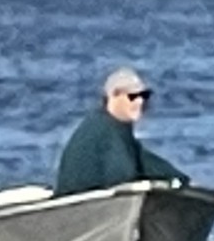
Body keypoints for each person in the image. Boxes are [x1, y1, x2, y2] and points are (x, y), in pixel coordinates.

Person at [52, 66, 187, 197]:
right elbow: (123, 175)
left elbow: (149, 164)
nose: (140, 102)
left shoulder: (120, 132)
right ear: (114, 96)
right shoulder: (104, 130)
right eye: (132, 96)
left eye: (144, 95)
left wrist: (177, 179)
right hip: (82, 202)